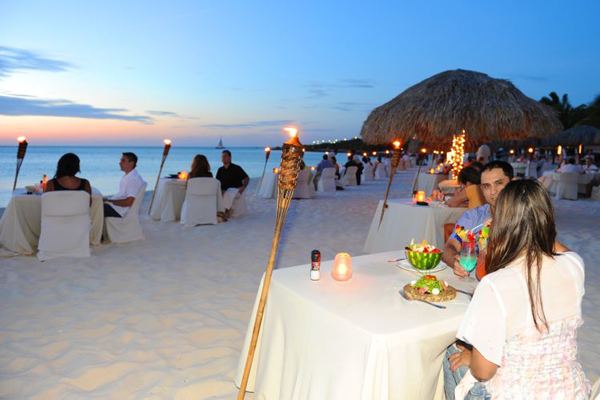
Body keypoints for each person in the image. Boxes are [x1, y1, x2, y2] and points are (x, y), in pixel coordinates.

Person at [443, 180, 590, 399]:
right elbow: (558, 248)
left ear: (500, 223)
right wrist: (536, 224)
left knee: (450, 352)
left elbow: (484, 372)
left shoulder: (495, 284)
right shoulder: (574, 265)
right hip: (570, 391)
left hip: (516, 393)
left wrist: (471, 357)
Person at [103, 152, 145, 218]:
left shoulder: (133, 179)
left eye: (123, 160)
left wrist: (110, 201)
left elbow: (129, 202)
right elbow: (123, 195)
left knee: (98, 206)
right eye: (120, 160)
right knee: (98, 202)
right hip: (118, 208)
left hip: (120, 212)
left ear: (131, 163)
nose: (119, 163)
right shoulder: (129, 176)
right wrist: (108, 200)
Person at [216, 150, 249, 217]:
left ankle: (226, 211)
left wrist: (243, 187)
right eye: (222, 157)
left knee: (228, 192)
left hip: (235, 190)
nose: (223, 158)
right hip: (223, 190)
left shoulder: (236, 168)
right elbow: (217, 182)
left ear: (230, 157)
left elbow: (246, 178)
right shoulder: (220, 170)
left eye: (225, 156)